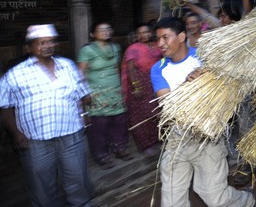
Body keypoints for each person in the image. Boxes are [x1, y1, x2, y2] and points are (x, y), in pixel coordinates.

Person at [151, 17, 254, 207]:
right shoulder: (158, 69)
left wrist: (206, 75)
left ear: (181, 36)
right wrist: (189, 84)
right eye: (158, 39)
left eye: (165, 38)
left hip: (207, 138)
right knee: (171, 200)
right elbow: (166, 103)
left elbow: (227, 91)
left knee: (215, 198)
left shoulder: (204, 58)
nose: (160, 44)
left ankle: (246, 201)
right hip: (176, 140)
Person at [0, 24, 93, 206]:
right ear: (30, 47)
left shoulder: (67, 66)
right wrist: (16, 134)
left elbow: (82, 94)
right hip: (35, 141)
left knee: (78, 179)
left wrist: (84, 115)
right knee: (41, 186)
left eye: (51, 42)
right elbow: (4, 107)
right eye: (41, 43)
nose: (47, 46)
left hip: (71, 135)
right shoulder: (15, 74)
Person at [78, 22, 132, 169]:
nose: (106, 31)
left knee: (119, 121)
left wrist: (121, 88)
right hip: (96, 93)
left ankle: (120, 149)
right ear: (92, 34)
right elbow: (80, 74)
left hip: (114, 91)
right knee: (99, 125)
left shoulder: (115, 47)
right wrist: (84, 93)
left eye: (108, 29)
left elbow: (116, 69)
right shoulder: (87, 50)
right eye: (101, 30)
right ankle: (101, 155)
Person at [120, 22, 162, 157]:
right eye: (140, 33)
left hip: (155, 83)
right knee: (141, 116)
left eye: (146, 32)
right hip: (140, 85)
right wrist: (136, 87)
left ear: (151, 33)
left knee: (156, 112)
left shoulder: (157, 45)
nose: (143, 35)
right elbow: (131, 69)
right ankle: (145, 145)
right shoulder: (133, 48)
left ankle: (156, 140)